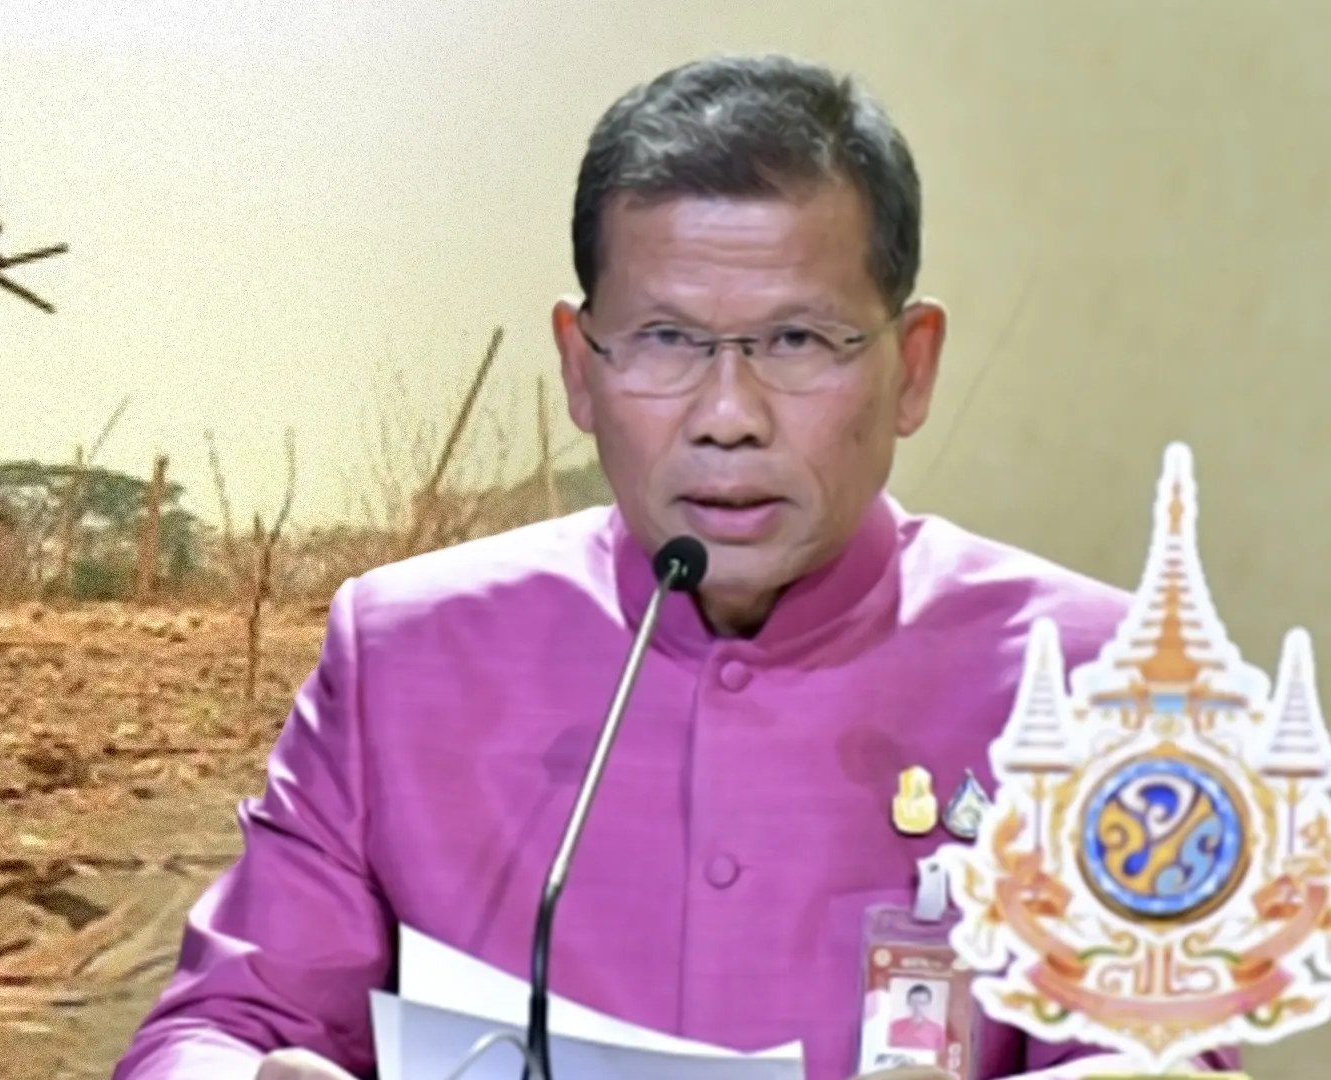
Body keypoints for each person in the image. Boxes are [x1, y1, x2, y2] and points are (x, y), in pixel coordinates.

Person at [111, 53, 1243, 1080]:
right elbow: (218, 1025)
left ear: (912, 368)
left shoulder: (1099, 679)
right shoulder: (404, 653)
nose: (727, 416)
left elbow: (1161, 1053)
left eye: (797, 340)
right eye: (665, 340)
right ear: (579, 367)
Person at [888, 984, 945, 1054]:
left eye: (922, 1003)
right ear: (908, 1003)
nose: (918, 1007)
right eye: (914, 1003)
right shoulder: (894, 1027)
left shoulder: (938, 1031)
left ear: (929, 1004)